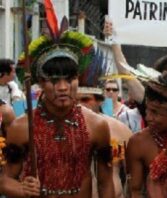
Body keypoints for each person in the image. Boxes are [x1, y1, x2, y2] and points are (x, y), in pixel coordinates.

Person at [0, 29, 114, 197]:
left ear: (78, 79)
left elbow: (105, 183)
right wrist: (22, 189)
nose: (62, 87)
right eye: (54, 80)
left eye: (69, 79)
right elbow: (5, 180)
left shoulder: (97, 126)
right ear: (40, 83)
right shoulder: (22, 127)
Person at [126, 74, 167, 197]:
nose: (148, 117)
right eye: (147, 110)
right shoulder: (139, 142)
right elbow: (135, 191)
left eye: (155, 112)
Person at [77, 87, 133, 198]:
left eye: (85, 99)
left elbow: (132, 175)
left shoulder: (118, 130)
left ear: (100, 100)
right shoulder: (62, 130)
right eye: (75, 100)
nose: (79, 105)